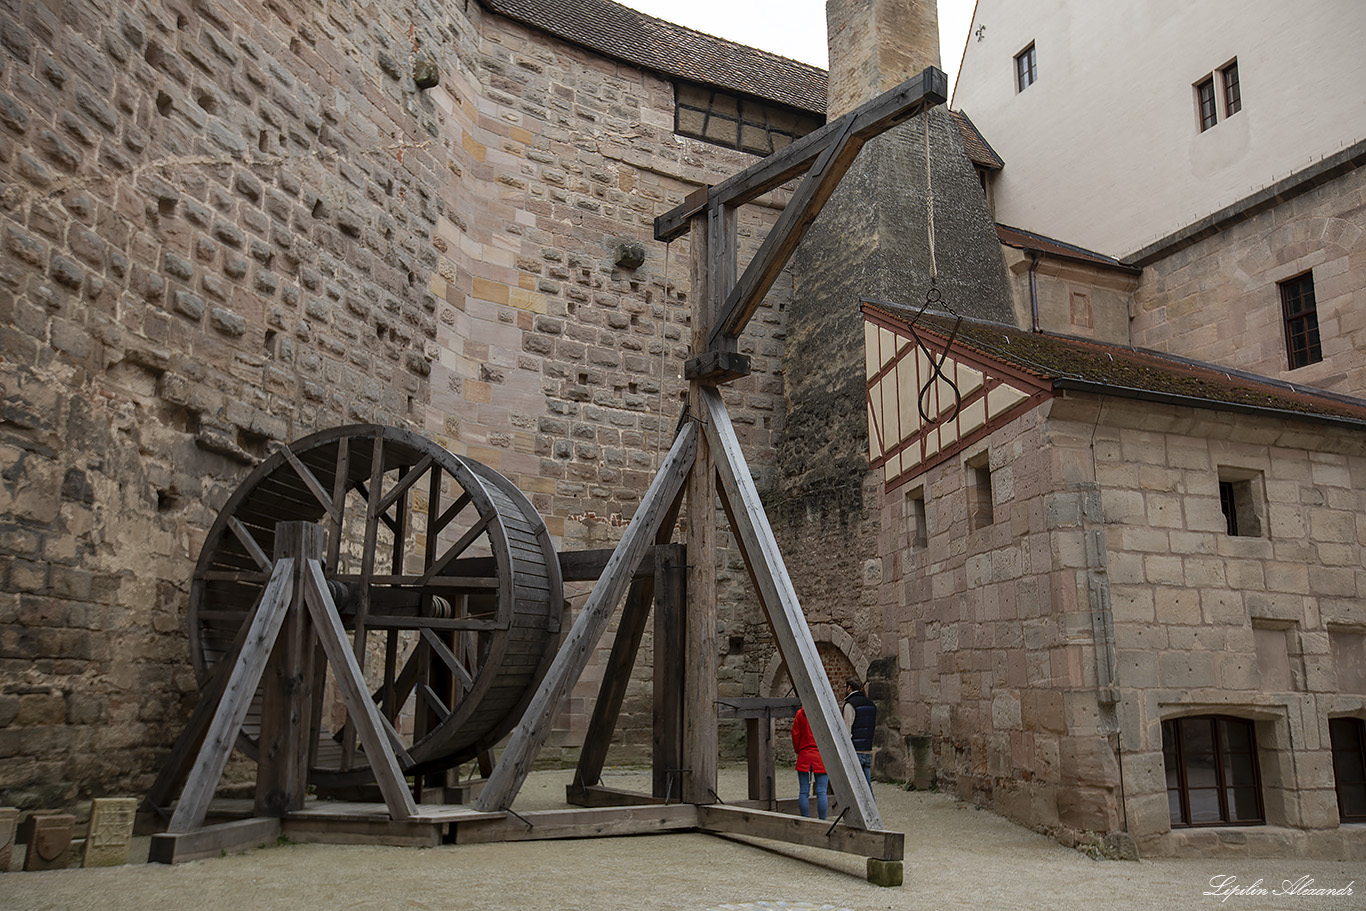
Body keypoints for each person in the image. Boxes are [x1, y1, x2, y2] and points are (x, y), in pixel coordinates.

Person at [790, 705, 827, 819]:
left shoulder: (801, 714)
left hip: (805, 755)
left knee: (804, 791)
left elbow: (795, 735)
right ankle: (822, 820)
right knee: (821, 792)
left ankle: (805, 818)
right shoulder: (824, 713)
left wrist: (798, 751)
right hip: (820, 756)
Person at [843, 677, 876, 787]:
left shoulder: (850, 705)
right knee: (867, 787)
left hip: (855, 750)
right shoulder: (871, 704)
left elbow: (847, 729)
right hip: (867, 748)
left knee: (855, 787)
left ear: (849, 688)